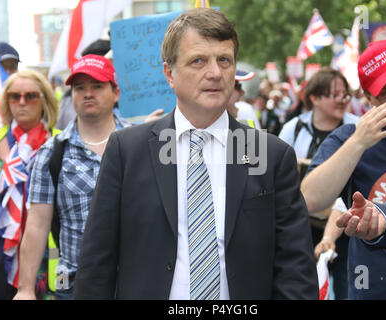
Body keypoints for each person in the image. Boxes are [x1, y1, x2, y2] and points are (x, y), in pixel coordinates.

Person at [73, 8, 318, 300]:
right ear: (169, 74)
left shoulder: (270, 154)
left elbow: (295, 266)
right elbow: (96, 262)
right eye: (198, 61)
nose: (215, 73)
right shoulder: (127, 151)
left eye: (224, 60)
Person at [301, 40, 386, 299]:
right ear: (368, 98)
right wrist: (358, 142)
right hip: (374, 288)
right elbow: (309, 198)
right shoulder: (350, 137)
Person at [12, 54, 130, 300]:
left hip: (135, 280)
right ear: (72, 95)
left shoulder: (140, 144)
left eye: (97, 86)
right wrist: (25, 289)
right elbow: (37, 225)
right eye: (80, 88)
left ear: (115, 93)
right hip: (77, 285)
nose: (88, 93)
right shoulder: (52, 153)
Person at [278, 67, 359, 300]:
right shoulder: (293, 129)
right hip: (304, 229)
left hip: (348, 228)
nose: (343, 100)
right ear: (314, 98)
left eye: (346, 94)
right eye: (335, 95)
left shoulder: (358, 128)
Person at [0, 69, 59, 300]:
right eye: (14, 96)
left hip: (49, 257)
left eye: (30, 96)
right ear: (6, 101)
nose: (22, 102)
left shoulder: (61, 141)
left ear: (44, 100)